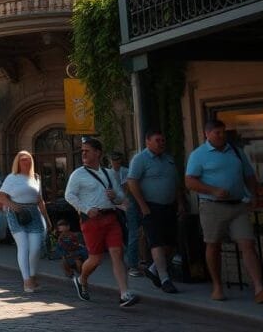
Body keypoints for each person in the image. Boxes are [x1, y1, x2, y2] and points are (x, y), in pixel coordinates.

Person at [185, 119, 263, 303]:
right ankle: (217, 286)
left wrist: (254, 195)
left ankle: (259, 288)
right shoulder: (198, 155)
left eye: (223, 132)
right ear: (207, 134)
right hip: (212, 206)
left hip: (238, 205)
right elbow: (190, 181)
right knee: (213, 245)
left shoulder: (236, 151)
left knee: (247, 244)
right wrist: (213, 190)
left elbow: (249, 175)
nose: (222, 136)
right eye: (217, 133)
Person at [65, 137, 139, 308]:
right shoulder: (78, 174)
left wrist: (115, 196)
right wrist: (85, 209)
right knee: (96, 259)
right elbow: (69, 195)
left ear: (98, 153)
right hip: (92, 220)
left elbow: (121, 196)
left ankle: (124, 293)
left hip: (111, 217)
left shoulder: (109, 173)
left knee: (117, 254)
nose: (83, 153)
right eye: (82, 151)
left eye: (87, 150)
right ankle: (82, 279)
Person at [127, 130, 185, 294]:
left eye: (163, 140)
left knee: (171, 244)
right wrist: (142, 205)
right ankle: (165, 278)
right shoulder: (140, 159)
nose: (161, 143)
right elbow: (132, 182)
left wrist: (180, 203)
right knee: (156, 242)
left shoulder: (168, 159)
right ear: (148, 141)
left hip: (169, 206)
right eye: (157, 140)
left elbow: (176, 183)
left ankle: (153, 269)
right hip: (151, 207)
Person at [0, 151, 51, 293]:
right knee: (24, 246)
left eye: (28, 159)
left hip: (34, 212)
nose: (26, 162)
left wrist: (47, 219)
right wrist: (13, 205)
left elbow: (40, 200)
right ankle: (27, 281)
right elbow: (1, 196)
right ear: (17, 162)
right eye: (22, 160)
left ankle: (32, 277)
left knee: (36, 248)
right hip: (16, 213)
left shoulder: (36, 177)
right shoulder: (12, 177)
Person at [110, 151, 142, 277]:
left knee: (130, 233)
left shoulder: (124, 171)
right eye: (114, 161)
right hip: (117, 205)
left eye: (118, 160)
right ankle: (131, 264)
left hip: (126, 204)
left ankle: (133, 262)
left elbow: (125, 188)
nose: (116, 163)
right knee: (127, 233)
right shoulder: (109, 172)